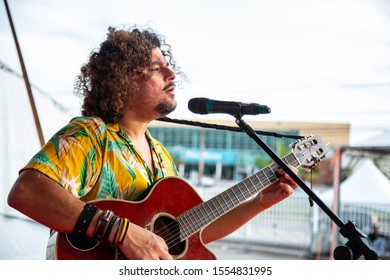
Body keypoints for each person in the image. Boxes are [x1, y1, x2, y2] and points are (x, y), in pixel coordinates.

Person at [7, 25, 298, 260]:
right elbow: (26, 192)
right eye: (156, 68)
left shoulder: (161, 155)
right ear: (121, 80)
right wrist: (123, 233)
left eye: (169, 67)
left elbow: (190, 234)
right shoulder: (92, 135)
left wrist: (259, 203)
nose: (172, 75)